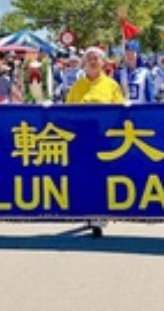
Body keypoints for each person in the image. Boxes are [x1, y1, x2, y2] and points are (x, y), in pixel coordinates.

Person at [66, 47, 124, 237]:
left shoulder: (111, 85)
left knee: (102, 176)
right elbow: (68, 111)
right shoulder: (77, 86)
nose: (92, 61)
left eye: (96, 59)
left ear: (103, 63)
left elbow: (120, 112)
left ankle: (99, 215)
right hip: (83, 140)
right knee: (85, 176)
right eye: (89, 58)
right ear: (83, 63)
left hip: (104, 139)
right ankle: (89, 211)